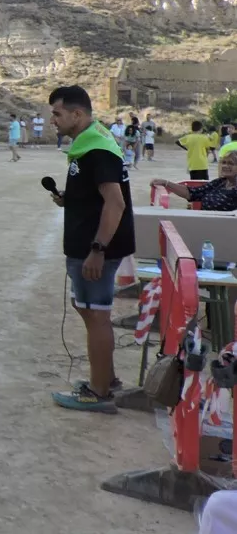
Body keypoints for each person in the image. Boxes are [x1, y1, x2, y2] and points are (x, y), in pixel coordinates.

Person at [46, 85, 134, 412]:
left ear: (77, 114)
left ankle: (98, 392)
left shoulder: (98, 149)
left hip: (94, 249)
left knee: (96, 315)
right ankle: (105, 378)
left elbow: (115, 202)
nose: (53, 120)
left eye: (57, 113)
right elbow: (98, 196)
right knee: (88, 310)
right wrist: (71, 199)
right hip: (88, 245)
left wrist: (98, 249)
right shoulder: (89, 144)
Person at [152, 144, 237, 211]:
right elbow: (191, 193)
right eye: (224, 162)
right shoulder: (220, 182)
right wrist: (165, 183)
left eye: (231, 163)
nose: (225, 166)